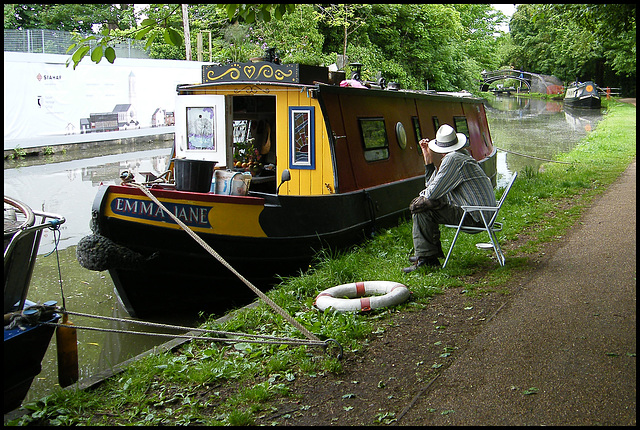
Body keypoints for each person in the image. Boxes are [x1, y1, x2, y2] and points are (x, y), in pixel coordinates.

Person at [403, 124, 496, 273]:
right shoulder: (461, 155)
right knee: (424, 205)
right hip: (483, 214)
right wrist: (428, 157)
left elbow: (431, 193)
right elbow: (433, 187)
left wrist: (420, 200)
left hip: (475, 216)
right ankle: (426, 255)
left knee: (422, 209)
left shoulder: (453, 159)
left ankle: (428, 259)